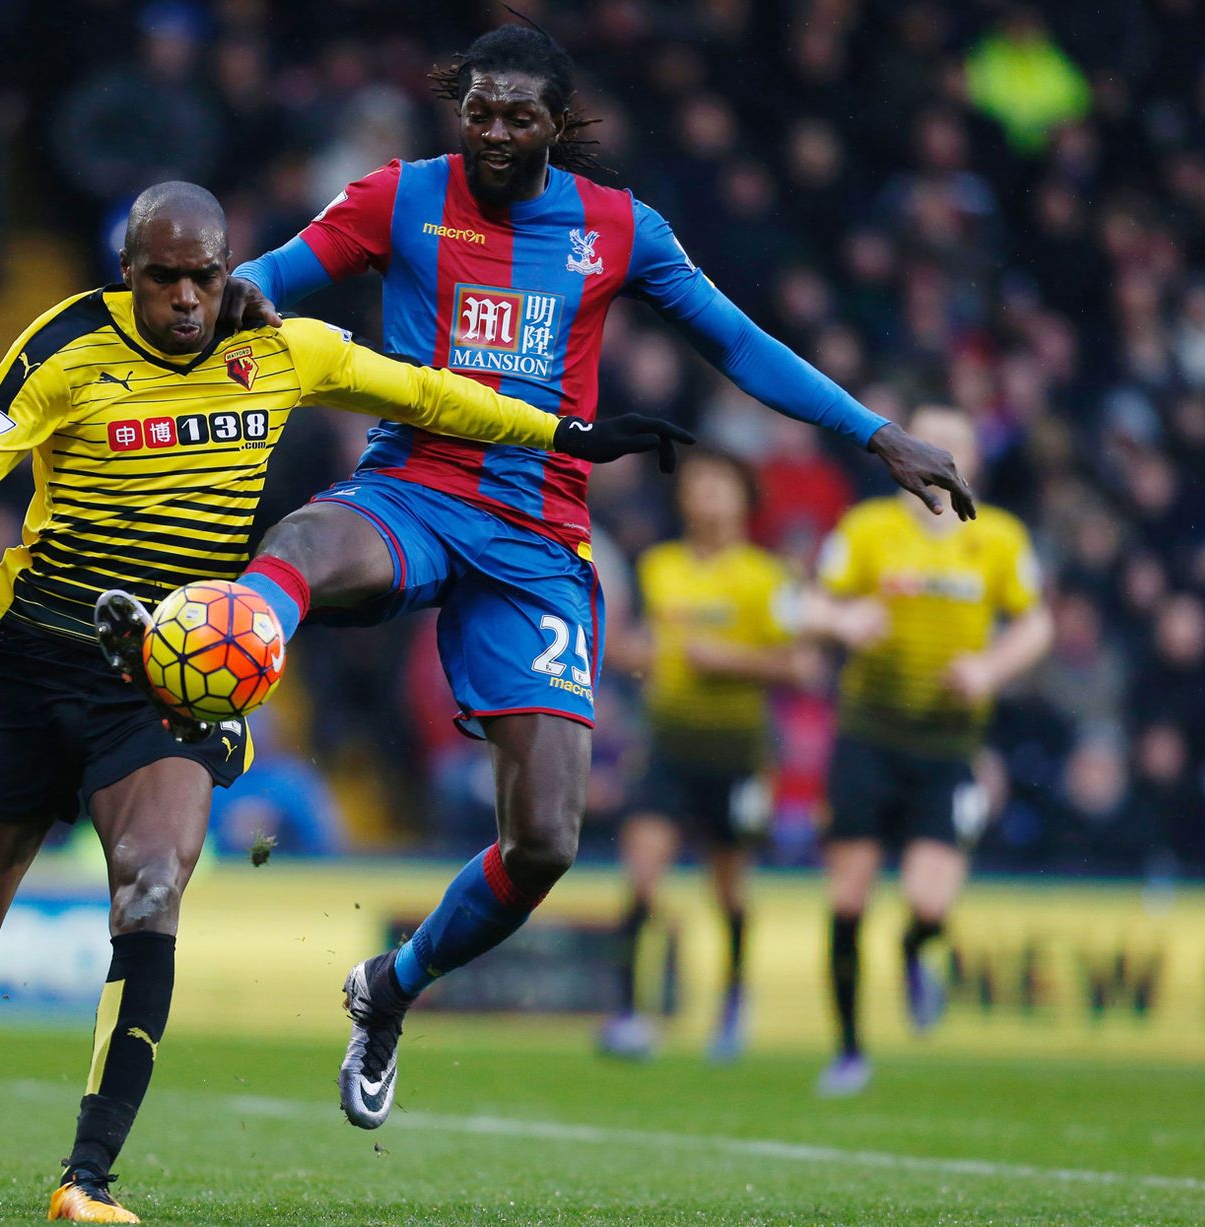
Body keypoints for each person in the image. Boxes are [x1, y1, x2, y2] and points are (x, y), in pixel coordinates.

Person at [0, 180, 691, 1224]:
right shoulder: (67, 341)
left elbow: (426, 393)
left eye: (202, 277)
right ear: (127, 275)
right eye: (160, 278)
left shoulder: (282, 347)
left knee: (152, 887)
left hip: (168, 672)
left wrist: (567, 434)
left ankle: (87, 1180)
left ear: (230, 272)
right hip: (34, 666)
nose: (183, 298)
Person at [218, 21, 974, 1129]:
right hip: (413, 490)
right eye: (477, 112)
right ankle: (217, 679)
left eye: (519, 116)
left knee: (545, 842)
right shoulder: (396, 197)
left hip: (536, 539)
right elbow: (274, 275)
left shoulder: (617, 227)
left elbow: (738, 341)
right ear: (456, 110)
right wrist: (225, 292)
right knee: (298, 547)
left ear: (558, 125)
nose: (494, 134)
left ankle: (391, 988)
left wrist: (875, 435)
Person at [804, 405, 1052, 1097]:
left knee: (929, 901)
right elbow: (810, 605)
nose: (940, 454)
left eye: (956, 444)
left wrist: (990, 669)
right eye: (927, 442)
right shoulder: (866, 529)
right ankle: (849, 1050)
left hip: (947, 743)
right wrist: (843, 617)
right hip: (869, 735)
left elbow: (1036, 623)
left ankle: (917, 954)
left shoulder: (998, 536)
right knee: (848, 895)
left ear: (973, 457)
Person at [600, 450, 816, 1063]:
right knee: (641, 878)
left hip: (737, 753)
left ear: (744, 499)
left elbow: (802, 665)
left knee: (728, 889)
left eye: (720, 486)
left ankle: (732, 1004)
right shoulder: (661, 567)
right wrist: (628, 651)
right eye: (698, 486)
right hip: (667, 747)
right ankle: (627, 1013)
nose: (707, 497)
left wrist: (725, 659)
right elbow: (637, 649)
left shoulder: (769, 578)